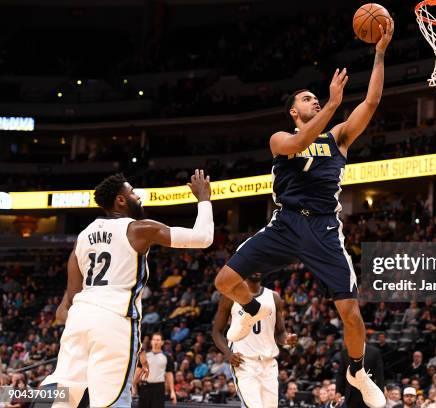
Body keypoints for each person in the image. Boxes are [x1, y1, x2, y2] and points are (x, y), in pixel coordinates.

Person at [213, 18, 395, 408]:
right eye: (306, 99)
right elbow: (299, 142)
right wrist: (331, 102)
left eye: (317, 98)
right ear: (293, 111)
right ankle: (249, 308)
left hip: (325, 229)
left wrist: (379, 53)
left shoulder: (340, 137)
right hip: (286, 223)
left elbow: (372, 102)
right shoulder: (281, 138)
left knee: (351, 314)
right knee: (224, 280)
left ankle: (357, 370)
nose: (313, 101)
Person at [40, 170, 214, 407]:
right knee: (111, 400)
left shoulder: (82, 237)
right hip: (114, 319)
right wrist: (204, 199)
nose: (138, 196)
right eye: (133, 192)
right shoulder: (138, 228)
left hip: (78, 320)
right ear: (120, 200)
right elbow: (203, 237)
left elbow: (68, 302)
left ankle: (20, 397)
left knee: (65, 397)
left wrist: (86, 331)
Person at [212, 272, 297, 408]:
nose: (256, 269)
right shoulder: (230, 296)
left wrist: (287, 339)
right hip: (244, 362)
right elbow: (216, 332)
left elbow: (280, 332)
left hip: (269, 364)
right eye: (252, 266)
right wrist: (228, 354)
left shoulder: (274, 297)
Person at [133, 333, 177, 407]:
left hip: (158, 388)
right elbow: (138, 370)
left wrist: (172, 391)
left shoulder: (167, 357)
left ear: (162, 342)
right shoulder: (145, 355)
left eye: (158, 340)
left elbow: (169, 374)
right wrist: (133, 385)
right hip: (145, 387)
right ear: (151, 342)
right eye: (154, 340)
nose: (156, 342)